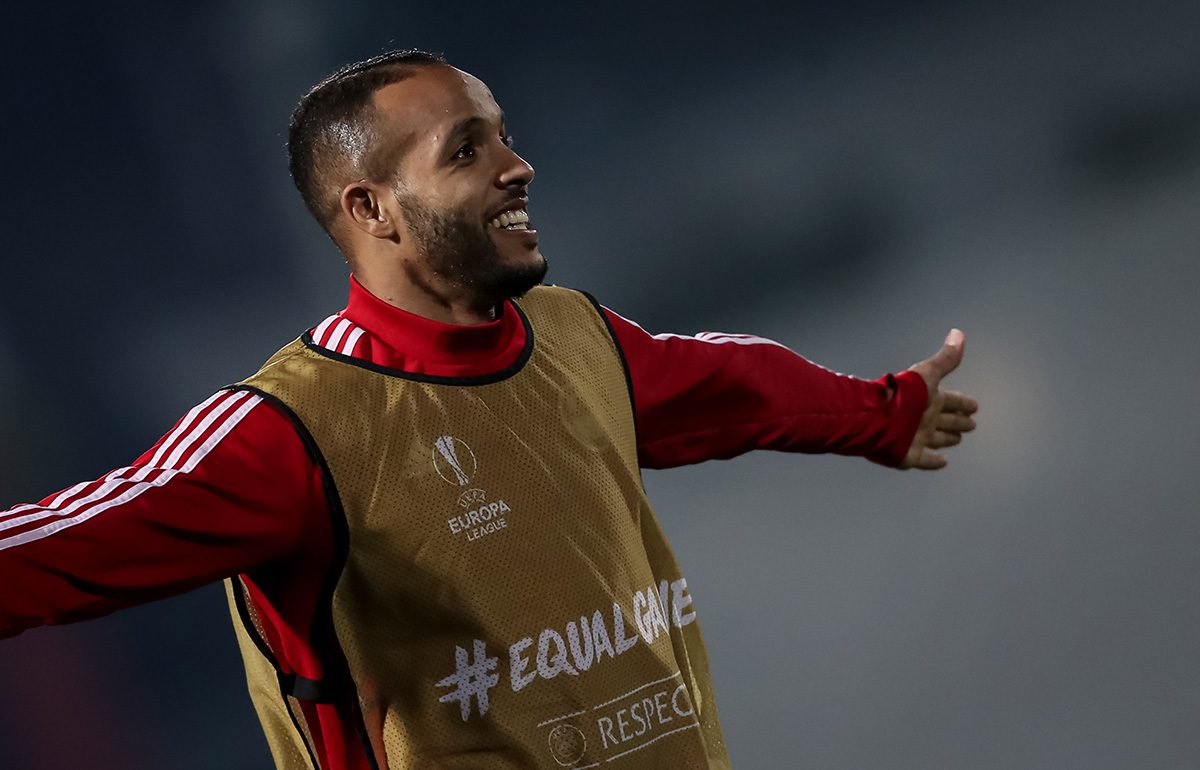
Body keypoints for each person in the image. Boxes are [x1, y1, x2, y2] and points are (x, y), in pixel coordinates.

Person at [0, 49, 978, 769]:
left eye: (504, 134)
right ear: (371, 209)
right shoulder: (293, 433)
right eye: (467, 149)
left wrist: (882, 412)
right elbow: (58, 545)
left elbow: (734, 380)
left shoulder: (575, 338)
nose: (517, 165)